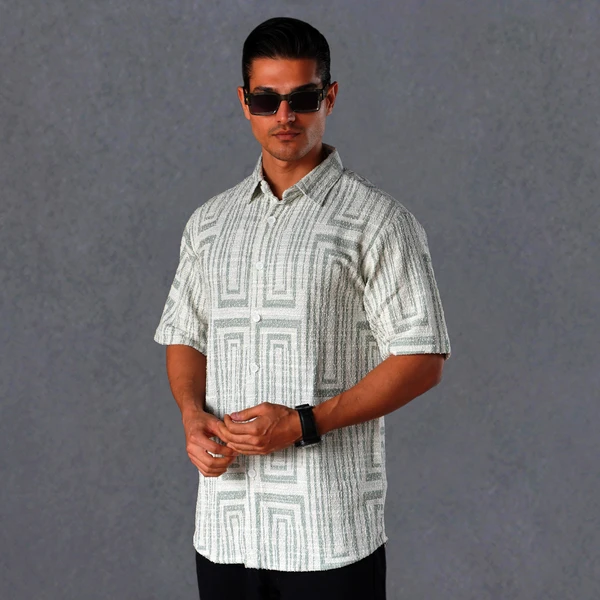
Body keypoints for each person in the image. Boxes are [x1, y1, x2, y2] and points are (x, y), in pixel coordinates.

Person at [154, 16, 451, 600]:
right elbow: (185, 333)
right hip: (226, 526)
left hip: (328, 531)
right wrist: (191, 415)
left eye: (303, 98)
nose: (285, 115)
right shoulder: (210, 223)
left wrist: (301, 423)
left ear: (329, 98)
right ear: (245, 102)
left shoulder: (376, 221)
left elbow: (422, 358)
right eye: (267, 99)